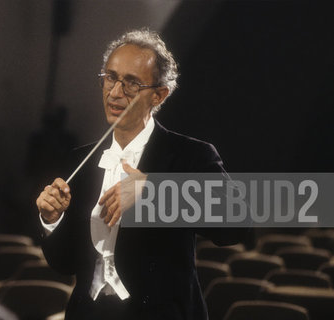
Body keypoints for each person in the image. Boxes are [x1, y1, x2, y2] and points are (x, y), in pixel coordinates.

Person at [35, 29, 247, 320]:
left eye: (131, 83)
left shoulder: (191, 155)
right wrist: (51, 219)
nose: (115, 92)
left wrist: (155, 191)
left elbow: (237, 226)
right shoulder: (79, 160)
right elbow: (64, 264)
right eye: (110, 77)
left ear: (159, 95)